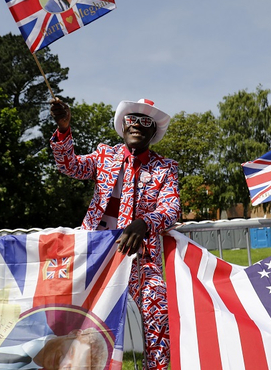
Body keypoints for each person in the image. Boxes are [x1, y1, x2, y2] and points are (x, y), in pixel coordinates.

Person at [49, 97, 180, 370]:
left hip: (140, 260)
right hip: (95, 256)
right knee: (78, 317)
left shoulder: (165, 168)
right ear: (123, 125)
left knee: (157, 309)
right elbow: (70, 166)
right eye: (132, 120)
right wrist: (63, 130)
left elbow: (171, 209)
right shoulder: (104, 156)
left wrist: (144, 222)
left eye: (146, 122)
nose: (137, 125)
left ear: (153, 132)